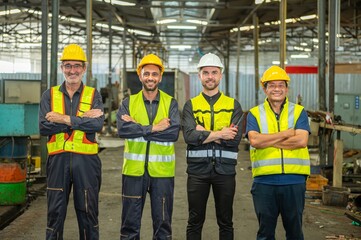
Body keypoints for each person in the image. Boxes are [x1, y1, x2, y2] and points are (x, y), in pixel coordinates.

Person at [39, 43, 105, 239]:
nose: (72, 70)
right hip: (57, 161)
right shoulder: (48, 95)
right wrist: (81, 120)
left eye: (77, 66)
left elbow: (96, 125)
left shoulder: (94, 95)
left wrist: (64, 119)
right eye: (68, 65)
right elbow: (44, 127)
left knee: (88, 213)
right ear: (62, 68)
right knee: (55, 214)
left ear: (84, 69)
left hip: (86, 163)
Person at [116, 54, 180, 239]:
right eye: (146, 74)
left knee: (163, 226)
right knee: (129, 226)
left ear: (160, 77)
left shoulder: (171, 103)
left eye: (154, 74)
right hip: (133, 173)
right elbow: (123, 130)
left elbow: (173, 133)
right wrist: (154, 127)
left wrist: (137, 126)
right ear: (140, 76)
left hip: (162, 174)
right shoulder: (128, 103)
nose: (150, 77)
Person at [182, 53, 243, 240]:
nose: (210, 76)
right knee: (194, 220)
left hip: (225, 171)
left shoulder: (233, 105)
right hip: (197, 171)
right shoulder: (190, 105)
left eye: (214, 72)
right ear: (199, 75)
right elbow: (189, 136)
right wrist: (219, 134)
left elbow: (234, 139)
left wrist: (204, 132)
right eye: (206, 72)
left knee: (226, 221)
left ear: (220, 75)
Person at [245, 65, 311, 240]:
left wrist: (269, 140)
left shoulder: (298, 112)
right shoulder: (254, 114)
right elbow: (255, 141)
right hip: (264, 182)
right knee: (265, 233)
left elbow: (302, 141)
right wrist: (285, 134)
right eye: (272, 85)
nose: (277, 89)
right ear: (265, 89)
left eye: (281, 85)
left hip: (294, 181)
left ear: (287, 88)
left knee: (295, 233)